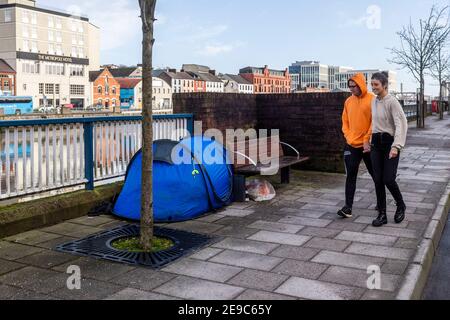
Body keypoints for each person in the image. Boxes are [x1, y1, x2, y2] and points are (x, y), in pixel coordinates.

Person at [370, 72, 408, 227]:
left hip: (389, 143)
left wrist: (396, 146)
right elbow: (374, 123)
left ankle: (401, 205)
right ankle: (382, 214)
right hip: (375, 144)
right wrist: (368, 141)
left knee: (388, 179)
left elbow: (402, 123)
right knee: (377, 180)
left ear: (384, 85)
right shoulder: (374, 101)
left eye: (376, 85)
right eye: (372, 84)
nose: (373, 87)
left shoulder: (392, 102)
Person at [337, 73, 375, 219]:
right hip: (351, 145)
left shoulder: (372, 99)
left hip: (368, 145)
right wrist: (348, 136)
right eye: (350, 86)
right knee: (350, 175)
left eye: (354, 86)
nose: (351, 89)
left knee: (375, 174)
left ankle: (380, 202)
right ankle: (348, 208)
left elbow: (374, 122)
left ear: (360, 85)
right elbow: (344, 121)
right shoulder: (348, 101)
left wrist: (366, 138)